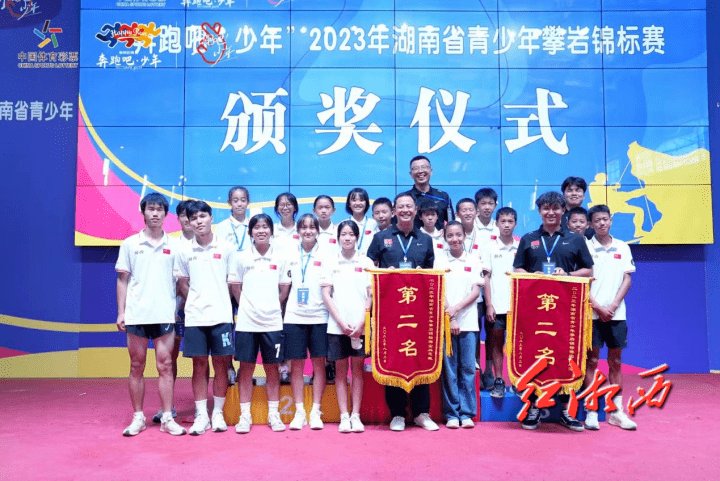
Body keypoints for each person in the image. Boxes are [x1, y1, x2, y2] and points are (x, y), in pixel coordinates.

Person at [513, 191, 593, 432]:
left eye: (555, 208)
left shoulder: (575, 239)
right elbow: (518, 269)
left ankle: (567, 411)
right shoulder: (529, 239)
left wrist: (567, 274)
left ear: (563, 211)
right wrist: (532, 275)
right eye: (546, 208)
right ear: (539, 211)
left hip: (565, 314)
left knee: (566, 358)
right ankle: (533, 408)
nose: (551, 213)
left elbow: (588, 270)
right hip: (535, 313)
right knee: (534, 358)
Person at [116, 193, 186, 436]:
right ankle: (138, 418)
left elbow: (181, 282)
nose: (155, 213)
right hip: (137, 315)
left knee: (165, 366)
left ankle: (167, 417)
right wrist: (121, 312)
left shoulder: (175, 245)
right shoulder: (130, 244)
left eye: (159, 209)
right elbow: (122, 280)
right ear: (143, 212)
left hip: (165, 315)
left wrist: (179, 308)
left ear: (166, 214)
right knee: (137, 365)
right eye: (150, 209)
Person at [366, 193, 438, 432]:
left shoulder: (425, 239)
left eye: (409, 206)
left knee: (419, 356)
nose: (405, 210)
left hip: (418, 313)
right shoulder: (381, 237)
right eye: (401, 207)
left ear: (415, 210)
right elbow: (368, 268)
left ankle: (421, 413)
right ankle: (397, 413)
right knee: (394, 358)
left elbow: (431, 275)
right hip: (389, 313)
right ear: (394, 211)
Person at [173, 200, 235, 435]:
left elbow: (232, 283)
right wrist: (197, 302)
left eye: (202, 216)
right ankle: (201, 414)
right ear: (188, 223)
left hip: (221, 316)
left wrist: (220, 303)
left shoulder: (226, 248)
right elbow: (182, 283)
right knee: (199, 365)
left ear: (211, 218)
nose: (198, 221)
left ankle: (217, 412)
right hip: (195, 318)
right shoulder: (183, 250)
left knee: (221, 365)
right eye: (193, 218)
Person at [228, 214, 291, 434]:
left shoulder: (280, 258)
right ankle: (245, 415)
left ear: (271, 231)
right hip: (246, 323)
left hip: (272, 323)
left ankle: (274, 414)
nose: (261, 230)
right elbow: (235, 288)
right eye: (257, 227)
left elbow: (284, 289)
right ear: (250, 232)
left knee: (272, 368)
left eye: (265, 227)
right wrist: (248, 307)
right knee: (246, 368)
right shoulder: (241, 257)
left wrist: (271, 306)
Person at [583, 205, 637, 431]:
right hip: (592, 314)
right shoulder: (585, 247)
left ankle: (616, 412)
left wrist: (613, 306)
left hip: (616, 314)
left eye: (605, 219)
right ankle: (591, 411)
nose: (602, 223)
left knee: (615, 362)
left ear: (611, 220)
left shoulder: (623, 247)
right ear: (591, 224)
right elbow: (582, 282)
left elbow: (627, 279)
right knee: (592, 362)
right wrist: (597, 307)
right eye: (597, 220)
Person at [321, 220, 374, 433]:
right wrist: (341, 322)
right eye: (343, 234)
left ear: (357, 237)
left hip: (361, 326)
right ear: (338, 237)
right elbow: (326, 294)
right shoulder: (330, 261)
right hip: (337, 326)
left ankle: (356, 415)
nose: (347, 238)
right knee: (341, 371)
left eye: (351, 234)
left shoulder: (366, 261)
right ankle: (344, 416)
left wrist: (362, 322)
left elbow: (371, 295)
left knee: (358, 371)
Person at [283, 213, 330, 430]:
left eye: (312, 227)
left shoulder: (327, 253)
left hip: (320, 316)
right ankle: (300, 411)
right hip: (294, 316)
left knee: (319, 365)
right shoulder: (290, 253)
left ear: (318, 231)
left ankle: (316, 410)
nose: (308, 231)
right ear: (298, 231)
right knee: (296, 366)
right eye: (304, 227)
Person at [435, 221, 483, 429]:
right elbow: (438, 290)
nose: (454, 239)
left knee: (468, 369)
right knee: (449, 370)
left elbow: (475, 292)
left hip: (469, 323)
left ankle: (467, 413)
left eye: (458, 235)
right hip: (446, 323)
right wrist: (451, 316)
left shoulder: (473, 259)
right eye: (450, 235)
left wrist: (456, 310)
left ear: (464, 236)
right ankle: (452, 413)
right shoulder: (439, 261)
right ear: (445, 238)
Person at [152, 199, 193, 425]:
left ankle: (205, 408)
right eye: (184, 215)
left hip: (200, 310)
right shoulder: (172, 245)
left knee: (202, 358)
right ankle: (168, 406)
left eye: (193, 215)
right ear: (178, 219)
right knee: (169, 358)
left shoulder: (207, 243)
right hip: (175, 310)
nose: (189, 219)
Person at [482, 207, 519, 398]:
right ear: (496, 224)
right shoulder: (489, 247)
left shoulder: (521, 246)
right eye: (503, 221)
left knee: (517, 345)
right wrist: (489, 304)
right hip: (496, 305)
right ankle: (498, 380)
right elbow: (486, 278)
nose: (506, 225)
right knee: (496, 344)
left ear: (515, 224)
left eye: (510, 221)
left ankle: (517, 380)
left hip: (518, 307)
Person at [473, 188, 501, 390]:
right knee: (474, 332)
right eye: (483, 203)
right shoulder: (468, 227)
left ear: (495, 205)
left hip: (494, 289)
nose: (486, 207)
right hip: (472, 289)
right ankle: (475, 370)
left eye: (490, 203)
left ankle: (489, 370)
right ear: (477, 206)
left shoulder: (499, 227)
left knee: (492, 333)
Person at [398, 155, 454, 230]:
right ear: (411, 174)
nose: (420, 171)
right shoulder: (404, 198)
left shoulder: (443, 196)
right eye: (416, 168)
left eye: (424, 167)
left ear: (431, 171)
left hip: (438, 237)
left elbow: (452, 224)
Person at [215, 186, 251, 253]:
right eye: (235, 201)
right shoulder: (221, 226)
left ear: (248, 202)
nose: (239, 204)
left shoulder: (253, 225)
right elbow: (218, 251)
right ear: (229, 202)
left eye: (243, 200)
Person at [345, 187, 378, 256]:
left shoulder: (373, 223)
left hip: (369, 261)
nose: (358, 203)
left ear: (366, 203)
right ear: (349, 204)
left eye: (361, 200)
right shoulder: (343, 224)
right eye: (354, 200)